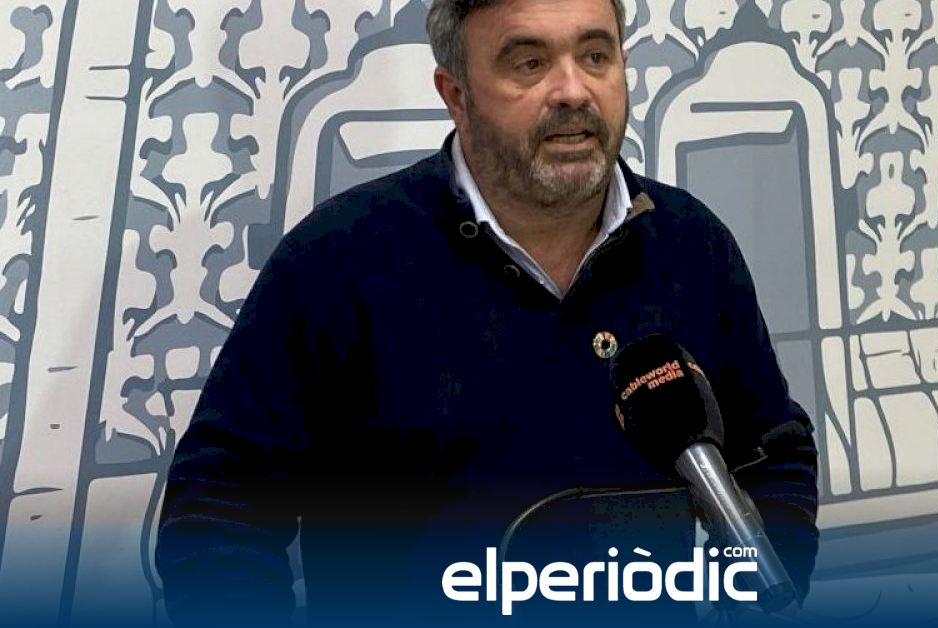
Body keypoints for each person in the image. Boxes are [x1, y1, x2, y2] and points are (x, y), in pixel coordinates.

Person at [155, 0, 819, 626]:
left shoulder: (692, 246)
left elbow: (771, 454)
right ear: (456, 94)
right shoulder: (338, 260)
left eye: (596, 56)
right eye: (529, 62)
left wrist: (750, 597)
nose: (573, 91)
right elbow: (219, 513)